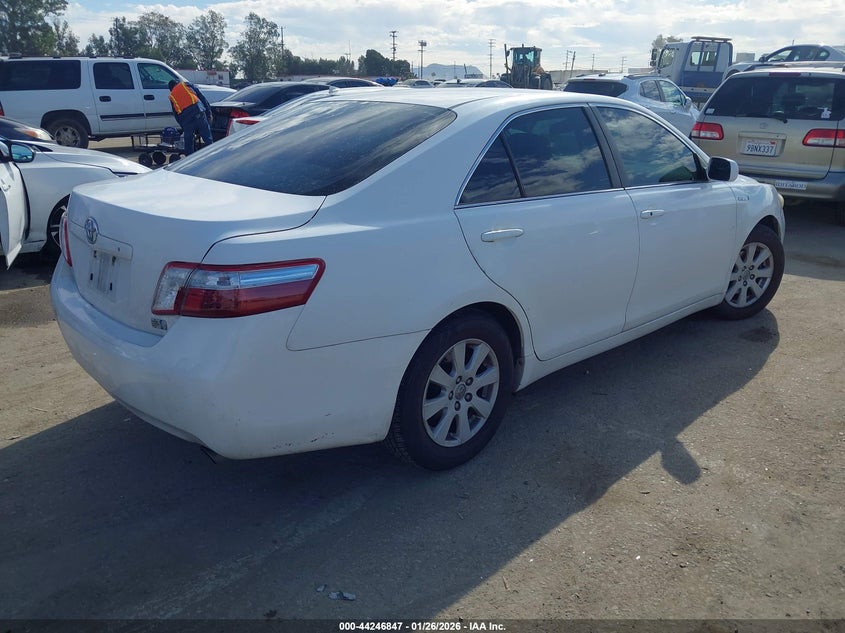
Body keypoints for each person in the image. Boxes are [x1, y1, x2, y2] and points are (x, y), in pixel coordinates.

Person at [167, 79, 213, 155]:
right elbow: (202, 98)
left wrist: (184, 128)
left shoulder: (172, 95)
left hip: (186, 120)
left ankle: (189, 160)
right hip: (199, 112)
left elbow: (176, 115)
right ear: (178, 83)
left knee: (188, 143)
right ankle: (213, 155)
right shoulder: (186, 85)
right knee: (207, 138)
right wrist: (209, 113)